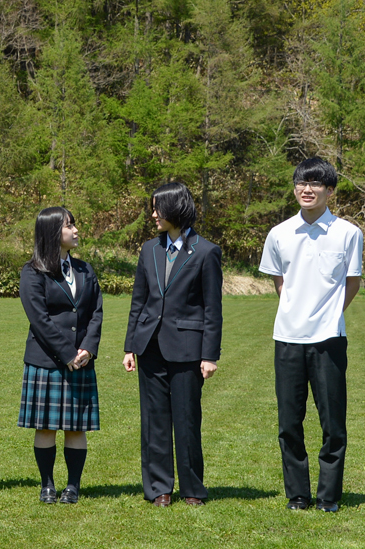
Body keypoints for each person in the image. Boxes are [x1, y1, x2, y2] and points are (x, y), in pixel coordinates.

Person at [259, 157, 363, 513]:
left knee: (333, 424)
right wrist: (297, 313)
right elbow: (280, 283)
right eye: (301, 183)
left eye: (316, 183)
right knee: (289, 423)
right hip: (287, 338)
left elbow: (352, 283)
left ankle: (328, 497)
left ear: (329, 190)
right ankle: (298, 495)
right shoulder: (279, 233)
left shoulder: (348, 233)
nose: (307, 189)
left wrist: (328, 315)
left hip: (329, 339)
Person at [123, 182, 222, 507]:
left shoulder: (206, 252)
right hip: (149, 347)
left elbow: (213, 308)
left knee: (187, 420)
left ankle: (193, 489)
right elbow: (138, 302)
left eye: (158, 208)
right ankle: (159, 489)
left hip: (188, 350)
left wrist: (209, 355)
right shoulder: (148, 249)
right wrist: (130, 346)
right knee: (154, 420)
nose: (153, 214)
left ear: (176, 209)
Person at [18, 207, 103, 504]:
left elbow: (96, 312)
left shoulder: (85, 269)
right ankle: (47, 486)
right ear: (52, 232)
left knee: (76, 426)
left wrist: (88, 348)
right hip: (47, 361)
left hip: (81, 360)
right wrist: (67, 353)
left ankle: (73, 486)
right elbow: (39, 319)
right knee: (45, 426)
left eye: (74, 224)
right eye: (69, 226)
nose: (76, 230)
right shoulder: (32, 271)